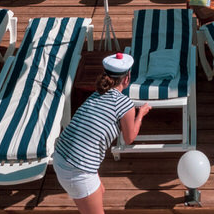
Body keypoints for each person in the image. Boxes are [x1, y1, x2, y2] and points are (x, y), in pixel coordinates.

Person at [52, 52, 150, 214]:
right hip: (77, 169)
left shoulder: (96, 95)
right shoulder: (126, 105)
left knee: (100, 190)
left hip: (63, 156)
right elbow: (129, 138)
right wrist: (141, 114)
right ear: (127, 78)